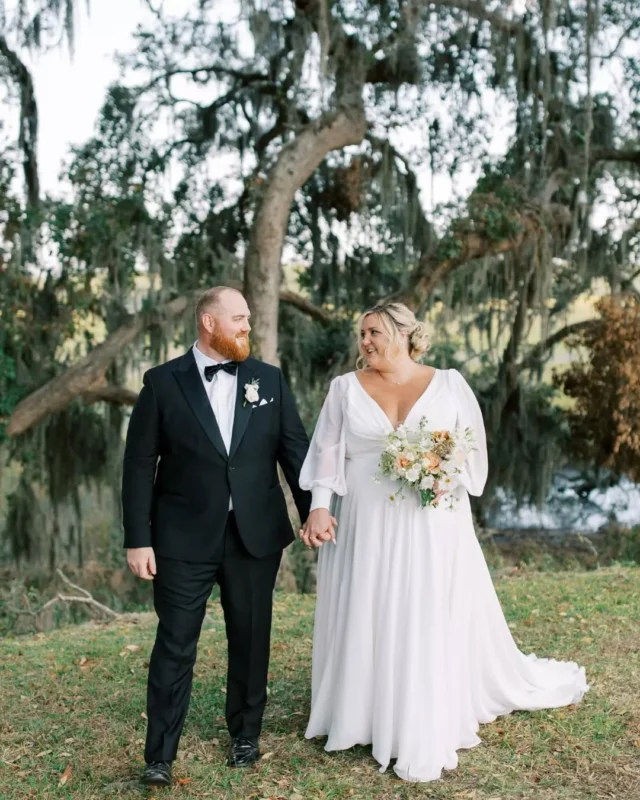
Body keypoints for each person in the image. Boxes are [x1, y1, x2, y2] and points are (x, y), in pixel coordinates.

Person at [298, 302, 588, 783]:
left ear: (405, 333)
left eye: (374, 331)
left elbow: (470, 455)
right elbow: (328, 451)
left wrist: (442, 475)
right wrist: (320, 505)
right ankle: (364, 711)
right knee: (371, 603)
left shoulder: (449, 384)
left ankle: (423, 705)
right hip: (368, 519)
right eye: (361, 333)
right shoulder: (345, 389)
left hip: (432, 521)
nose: (364, 341)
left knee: (424, 608)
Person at [122, 286, 312, 787]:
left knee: (250, 640)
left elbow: (295, 450)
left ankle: (245, 735)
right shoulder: (163, 383)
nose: (248, 326)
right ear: (209, 323)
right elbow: (139, 465)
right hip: (180, 539)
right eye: (239, 318)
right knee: (175, 642)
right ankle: (159, 754)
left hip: (254, 534)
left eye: (248, 317)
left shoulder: (266, 379)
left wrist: (314, 512)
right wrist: (137, 539)